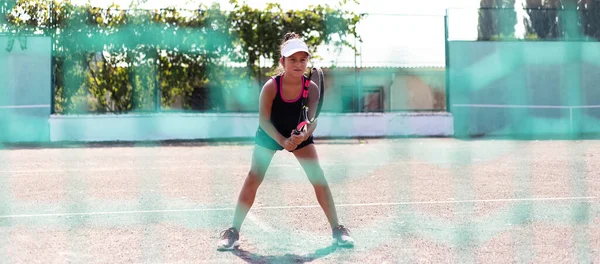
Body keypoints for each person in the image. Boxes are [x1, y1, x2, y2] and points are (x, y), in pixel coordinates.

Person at [217, 32, 354, 251]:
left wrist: (303, 135)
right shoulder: (271, 87)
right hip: (269, 133)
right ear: (282, 61)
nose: (298, 64)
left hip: (297, 135)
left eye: (302, 59)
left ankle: (338, 230)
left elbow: (312, 120)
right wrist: (282, 140)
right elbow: (263, 120)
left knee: (318, 178)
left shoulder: (312, 88)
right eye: (292, 60)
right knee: (254, 177)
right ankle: (232, 232)